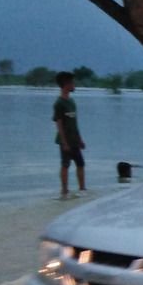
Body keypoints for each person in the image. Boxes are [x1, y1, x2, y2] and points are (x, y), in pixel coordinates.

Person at [53, 70, 86, 198]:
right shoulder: (59, 103)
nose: (74, 85)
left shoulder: (72, 102)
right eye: (72, 83)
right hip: (65, 141)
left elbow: (75, 123)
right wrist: (64, 142)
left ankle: (82, 188)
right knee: (65, 165)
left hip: (75, 139)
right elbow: (59, 124)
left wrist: (80, 139)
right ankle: (64, 190)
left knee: (80, 164)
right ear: (66, 84)